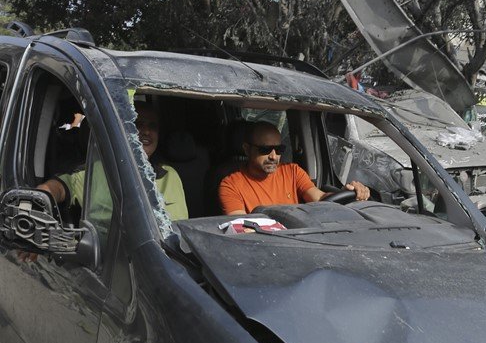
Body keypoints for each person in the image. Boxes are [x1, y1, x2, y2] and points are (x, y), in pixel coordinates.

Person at [37, 102, 188, 221]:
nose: (146, 131)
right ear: (123, 130)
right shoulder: (94, 172)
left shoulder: (169, 175)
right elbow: (55, 188)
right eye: (138, 124)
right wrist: (38, 208)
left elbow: (180, 232)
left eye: (152, 126)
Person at [219, 121, 370, 215]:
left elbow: (319, 198)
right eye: (265, 150)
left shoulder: (292, 171)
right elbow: (242, 229)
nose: (274, 156)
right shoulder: (230, 185)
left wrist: (347, 193)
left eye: (279, 150)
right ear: (247, 149)